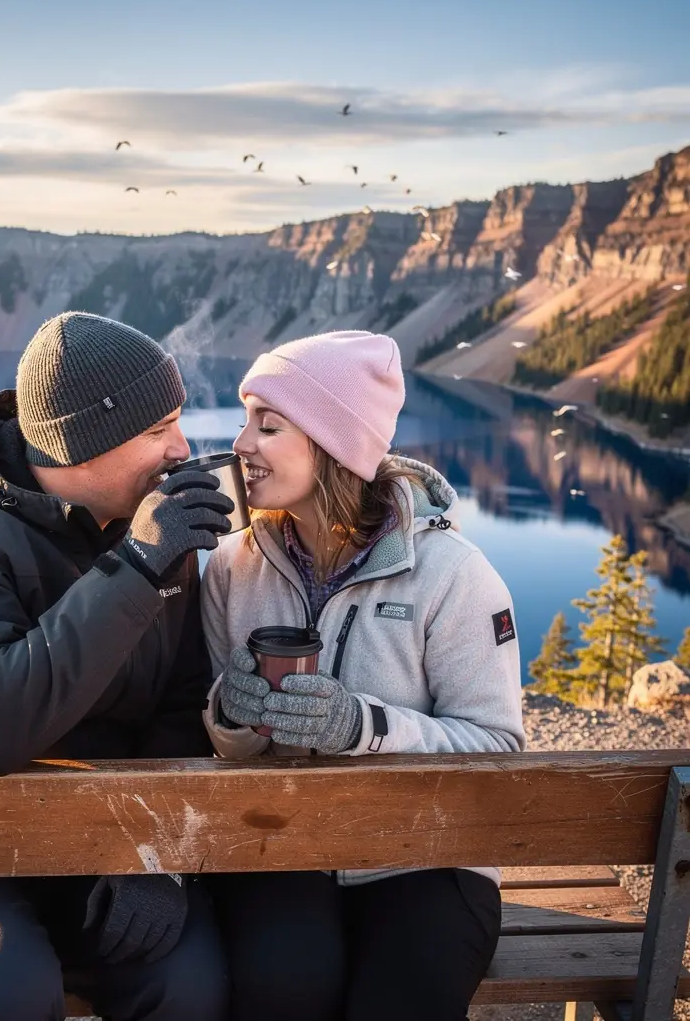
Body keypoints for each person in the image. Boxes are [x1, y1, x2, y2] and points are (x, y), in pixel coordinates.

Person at [0, 312, 234, 1021]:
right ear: (77, 447)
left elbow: (183, 704)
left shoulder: (150, 528)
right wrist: (138, 568)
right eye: (157, 431)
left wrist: (155, 854)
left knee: (187, 981)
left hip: (94, 831)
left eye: (177, 421)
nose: (182, 448)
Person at [201, 330, 526, 1021]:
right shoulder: (232, 568)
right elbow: (220, 746)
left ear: (332, 442)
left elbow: (498, 751)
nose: (241, 444)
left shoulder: (453, 575)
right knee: (280, 990)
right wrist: (229, 718)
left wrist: (365, 726)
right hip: (286, 843)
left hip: (432, 857)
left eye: (268, 424)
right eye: (243, 420)